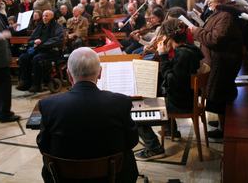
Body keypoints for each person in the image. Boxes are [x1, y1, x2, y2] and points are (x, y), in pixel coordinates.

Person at [37, 47, 139, 182]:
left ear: (68, 74)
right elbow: (132, 141)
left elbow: (43, 145)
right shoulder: (121, 102)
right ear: (100, 73)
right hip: (112, 177)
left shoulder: (48, 105)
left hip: (66, 178)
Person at [135, 18, 203, 161]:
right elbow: (176, 76)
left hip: (180, 104)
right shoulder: (189, 49)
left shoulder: (182, 54)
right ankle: (169, 129)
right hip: (184, 99)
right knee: (150, 100)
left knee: (136, 115)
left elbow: (172, 82)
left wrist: (164, 56)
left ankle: (154, 148)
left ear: (168, 37)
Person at [189, 0, 244, 140]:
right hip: (219, 61)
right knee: (218, 95)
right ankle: (222, 125)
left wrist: (197, 31)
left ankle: (226, 129)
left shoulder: (225, 15)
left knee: (220, 96)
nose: (208, 3)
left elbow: (215, 39)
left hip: (223, 62)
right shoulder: (221, 13)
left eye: (210, 0)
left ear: (219, 0)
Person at [17, 10, 64, 93]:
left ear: (52, 17)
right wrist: (34, 42)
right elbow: (31, 39)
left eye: (47, 16)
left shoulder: (57, 27)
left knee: (37, 59)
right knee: (23, 57)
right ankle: (25, 82)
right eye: (43, 16)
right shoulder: (40, 26)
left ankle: (36, 85)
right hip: (38, 49)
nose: (44, 18)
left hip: (51, 51)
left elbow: (57, 40)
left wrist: (42, 43)